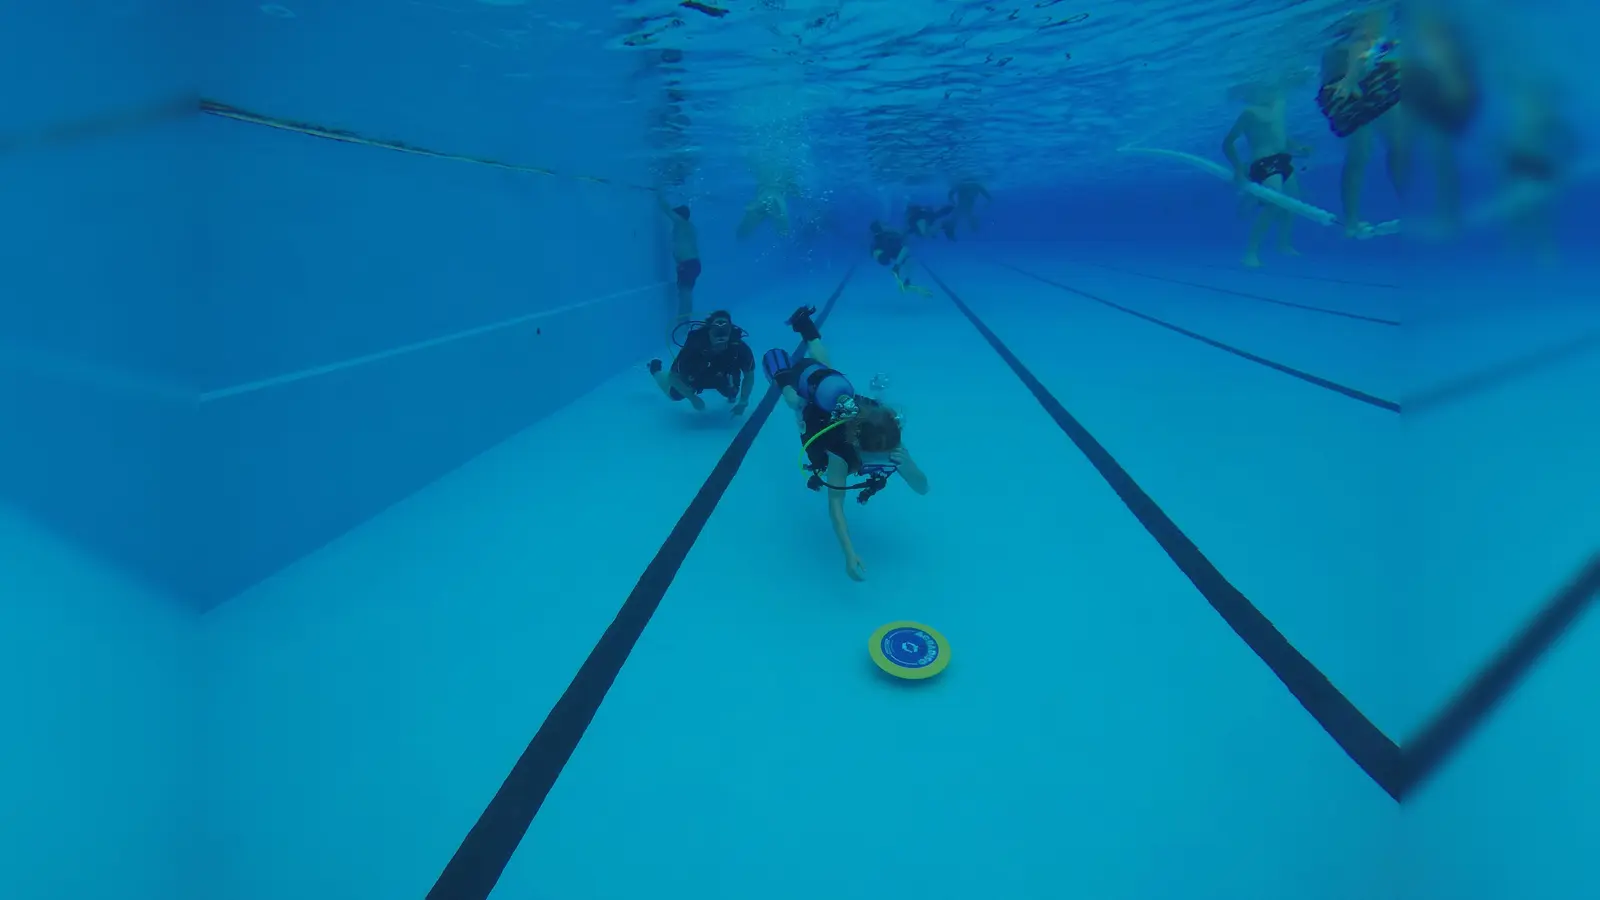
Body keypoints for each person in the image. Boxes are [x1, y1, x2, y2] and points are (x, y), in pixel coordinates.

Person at [761, 305, 929, 582]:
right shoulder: (840, 452)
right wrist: (849, 552)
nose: (883, 461)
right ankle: (783, 377)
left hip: (833, 390)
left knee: (826, 368)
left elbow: (922, 488)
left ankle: (805, 326)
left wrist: (908, 464)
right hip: (815, 403)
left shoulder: (889, 441)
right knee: (794, 402)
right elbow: (836, 503)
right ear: (858, 446)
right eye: (875, 457)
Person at [1315, 10, 1407, 237]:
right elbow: (1362, 41)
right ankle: (1354, 220)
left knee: (1370, 152)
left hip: (1362, 77)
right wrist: (1349, 80)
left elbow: (1366, 45)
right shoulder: (1374, 12)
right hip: (1351, 81)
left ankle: (1353, 221)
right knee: (1375, 150)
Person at [1222, 81, 1313, 267]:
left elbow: (1280, 137)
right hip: (1263, 164)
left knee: (1292, 204)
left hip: (1283, 160)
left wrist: (1299, 148)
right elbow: (1227, 143)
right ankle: (1251, 252)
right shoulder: (1249, 113)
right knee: (1273, 204)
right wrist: (1239, 168)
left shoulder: (1280, 105)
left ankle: (1284, 244)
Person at [647, 310, 754, 415]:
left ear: (730, 331)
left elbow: (749, 375)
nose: (720, 339)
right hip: (696, 376)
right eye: (717, 333)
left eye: (724, 332)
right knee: (674, 395)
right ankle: (655, 370)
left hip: (723, 376)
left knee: (732, 392)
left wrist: (743, 401)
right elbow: (673, 376)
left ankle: (730, 393)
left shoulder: (739, 348)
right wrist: (692, 398)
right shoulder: (694, 346)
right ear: (709, 331)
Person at [656, 194, 700, 321]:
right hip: (692, 263)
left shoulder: (682, 223)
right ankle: (685, 322)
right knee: (685, 295)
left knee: (684, 296)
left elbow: (666, 209)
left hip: (688, 264)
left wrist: (660, 193)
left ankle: (683, 324)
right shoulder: (689, 227)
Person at [869, 221, 928, 294]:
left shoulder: (884, 235)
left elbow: (900, 237)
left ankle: (906, 281)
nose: (886, 225)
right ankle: (896, 269)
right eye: (883, 225)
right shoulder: (883, 235)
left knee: (909, 259)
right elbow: (901, 235)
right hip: (885, 253)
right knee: (906, 249)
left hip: (888, 253)